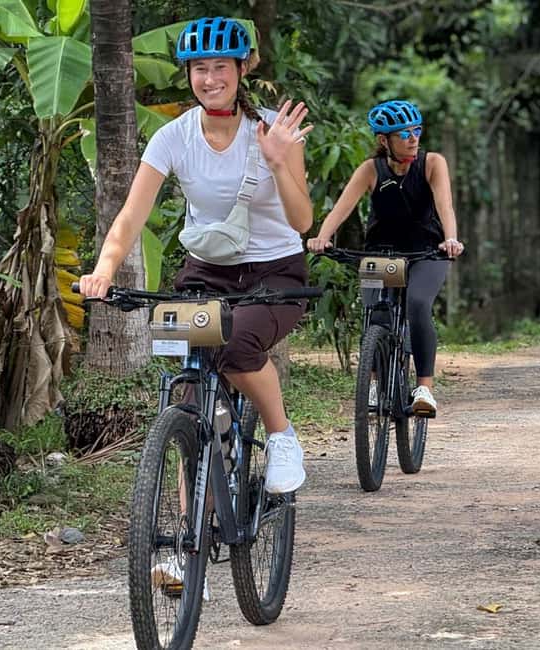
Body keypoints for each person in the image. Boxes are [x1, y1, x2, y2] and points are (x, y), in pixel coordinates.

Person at [79, 17, 314, 494]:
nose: (210, 79)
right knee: (192, 396)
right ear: (188, 74)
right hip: (207, 273)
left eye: (221, 67)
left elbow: (303, 221)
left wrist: (276, 160)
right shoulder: (174, 137)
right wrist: (103, 270)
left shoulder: (275, 130)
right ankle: (185, 547)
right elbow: (129, 217)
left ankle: (282, 437)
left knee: (235, 344)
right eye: (199, 68)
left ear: (242, 68)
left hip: (276, 273)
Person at [307, 100, 464, 417]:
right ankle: (375, 385)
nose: (413, 138)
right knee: (375, 312)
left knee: (417, 304)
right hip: (381, 252)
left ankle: (424, 388)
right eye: (403, 133)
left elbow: (445, 205)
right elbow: (342, 207)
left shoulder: (432, 163)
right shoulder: (371, 170)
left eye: (416, 130)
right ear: (384, 140)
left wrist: (450, 238)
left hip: (427, 252)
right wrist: (322, 237)